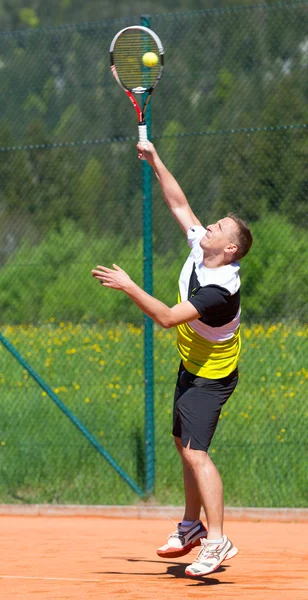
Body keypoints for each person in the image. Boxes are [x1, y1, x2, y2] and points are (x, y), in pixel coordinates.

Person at [92, 140, 253, 577]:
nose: (208, 228)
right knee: (183, 446)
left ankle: (217, 540)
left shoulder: (220, 291)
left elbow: (164, 317)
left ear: (230, 250)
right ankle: (190, 528)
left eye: (217, 228)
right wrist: (156, 160)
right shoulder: (204, 248)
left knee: (198, 454)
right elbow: (180, 204)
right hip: (191, 367)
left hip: (212, 377)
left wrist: (128, 285)